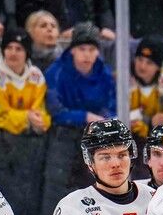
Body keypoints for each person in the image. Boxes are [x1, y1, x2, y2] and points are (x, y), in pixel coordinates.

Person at [0, 27, 50, 215]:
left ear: (26, 52)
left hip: (26, 140)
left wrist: (39, 122)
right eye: (8, 47)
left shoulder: (36, 77)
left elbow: (41, 113)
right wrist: (27, 118)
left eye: (18, 48)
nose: (12, 53)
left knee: (29, 187)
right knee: (7, 188)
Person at [43, 22, 115, 203]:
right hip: (63, 133)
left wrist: (102, 120)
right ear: (73, 50)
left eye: (92, 49)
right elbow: (55, 111)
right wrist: (84, 116)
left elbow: (112, 105)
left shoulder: (104, 73)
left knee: (95, 180)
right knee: (57, 181)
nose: (87, 55)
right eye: (82, 48)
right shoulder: (56, 72)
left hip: (94, 134)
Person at [128, 35, 163, 140]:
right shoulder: (125, 80)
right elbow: (123, 117)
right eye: (140, 59)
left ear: (158, 67)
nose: (142, 66)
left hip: (160, 139)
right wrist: (150, 124)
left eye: (149, 63)